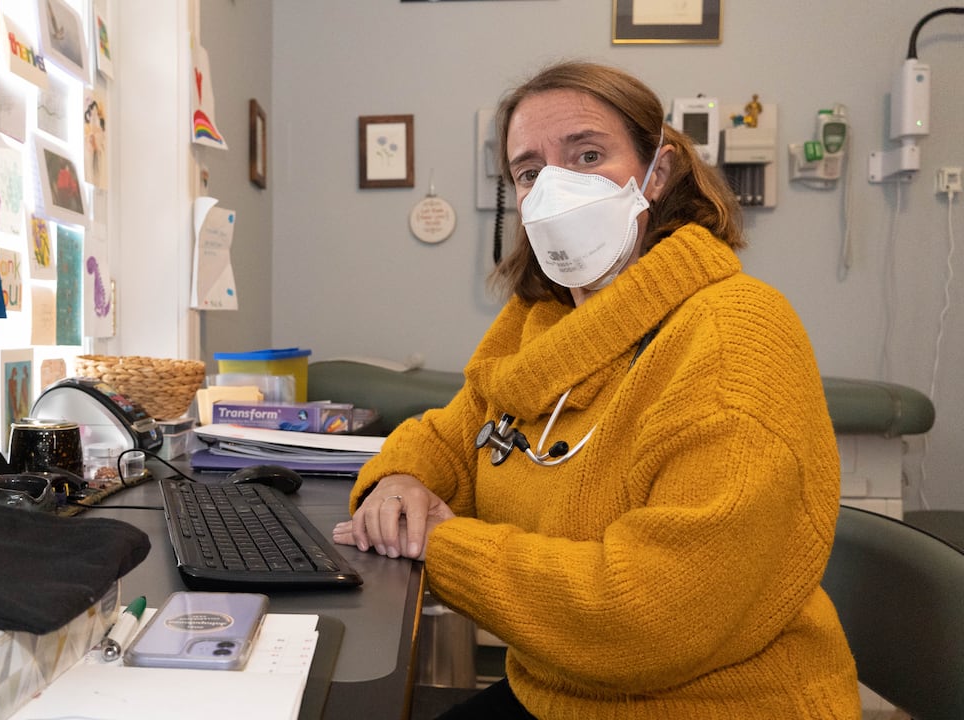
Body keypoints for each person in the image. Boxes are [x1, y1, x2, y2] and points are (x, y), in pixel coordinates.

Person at [333, 61, 860, 718]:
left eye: (587, 154)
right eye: (530, 172)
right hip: (559, 692)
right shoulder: (542, 324)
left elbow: (651, 616)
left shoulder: (731, 334)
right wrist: (401, 480)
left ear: (657, 173)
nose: (557, 187)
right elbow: (453, 431)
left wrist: (442, 545)